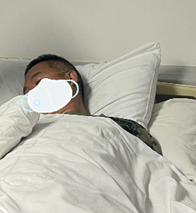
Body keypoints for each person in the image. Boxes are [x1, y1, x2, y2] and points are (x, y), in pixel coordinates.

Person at [23, 54, 162, 154]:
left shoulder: (121, 128)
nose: (32, 94)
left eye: (38, 82)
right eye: (27, 93)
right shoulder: (22, 130)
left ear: (70, 79)